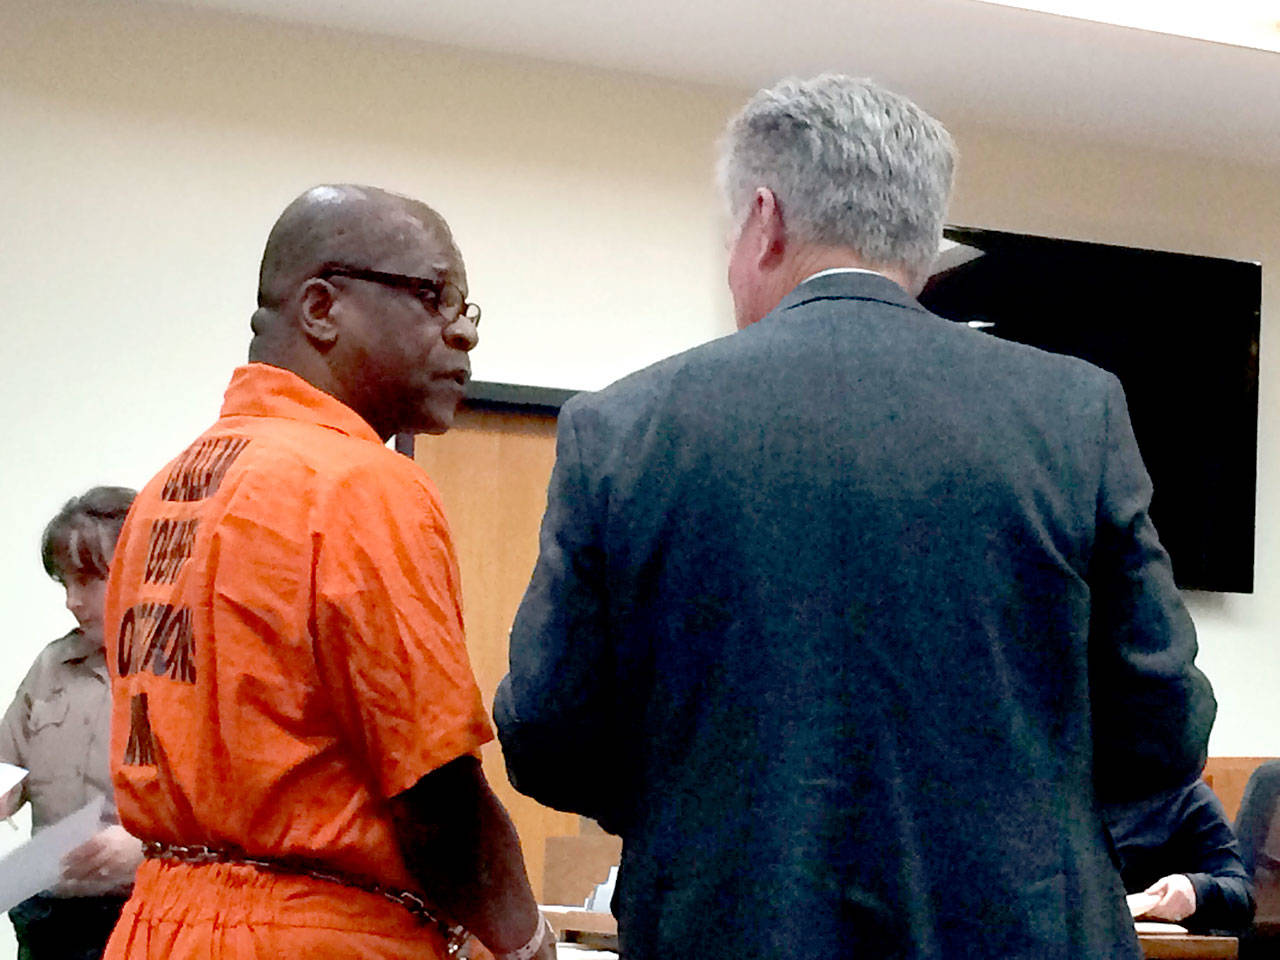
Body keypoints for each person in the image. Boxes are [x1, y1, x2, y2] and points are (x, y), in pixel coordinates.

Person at [494, 75, 1216, 959]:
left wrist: (698, 800)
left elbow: (547, 733)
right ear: (923, 241)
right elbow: (1164, 724)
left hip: (728, 927)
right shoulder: (1074, 412)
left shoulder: (624, 428)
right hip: (1023, 932)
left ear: (764, 220)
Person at [102, 185, 554, 960]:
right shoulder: (360, 485)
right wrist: (525, 940)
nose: (464, 332)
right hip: (319, 933)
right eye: (436, 296)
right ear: (320, 308)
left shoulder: (167, 489)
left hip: (155, 927)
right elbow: (433, 795)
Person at [0, 486, 142, 959]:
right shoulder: (52, 664)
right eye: (65, 584)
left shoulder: (180, 670)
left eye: (87, 581)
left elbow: (221, 807)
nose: (71, 602)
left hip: (140, 913)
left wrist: (145, 844)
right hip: (46, 914)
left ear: (141, 568)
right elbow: (8, 764)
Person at [1105, 775, 1254, 934]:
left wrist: (1195, 890)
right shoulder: (1085, 796)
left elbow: (1240, 895)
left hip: (1148, 942)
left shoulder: (1187, 794)